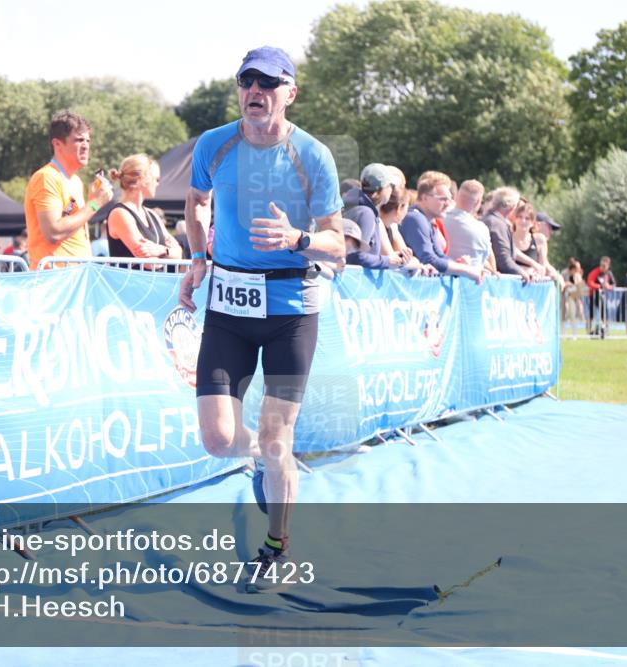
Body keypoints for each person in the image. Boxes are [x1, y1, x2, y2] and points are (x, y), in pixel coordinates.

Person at [177, 46, 345, 590]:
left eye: (268, 83)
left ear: (289, 93)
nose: (255, 90)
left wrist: (297, 239)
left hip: (291, 312)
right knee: (218, 439)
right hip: (228, 308)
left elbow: (337, 244)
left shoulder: (313, 155)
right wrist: (198, 258)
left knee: (277, 437)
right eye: (247, 81)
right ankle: (267, 461)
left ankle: (276, 544)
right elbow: (195, 201)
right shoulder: (213, 144)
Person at [24, 110, 114, 270]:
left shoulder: (76, 181)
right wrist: (94, 204)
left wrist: (91, 203)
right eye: (79, 140)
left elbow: (71, 224)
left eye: (88, 140)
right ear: (57, 144)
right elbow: (53, 232)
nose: (86, 146)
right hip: (54, 277)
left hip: (75, 275)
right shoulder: (46, 177)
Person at [106, 154, 182, 269]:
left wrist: (161, 250)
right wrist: (169, 254)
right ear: (143, 179)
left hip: (155, 279)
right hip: (131, 280)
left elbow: (179, 254)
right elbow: (150, 263)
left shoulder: (152, 214)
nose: (157, 184)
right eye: (156, 179)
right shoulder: (120, 213)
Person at [342, 164, 420, 271]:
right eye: (390, 186)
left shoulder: (360, 209)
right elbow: (356, 256)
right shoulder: (366, 213)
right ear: (381, 188)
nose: (391, 191)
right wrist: (387, 261)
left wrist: (392, 258)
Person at [443, 179, 494, 270]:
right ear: (478, 202)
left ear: (456, 196)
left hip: (440, 274)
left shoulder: (438, 220)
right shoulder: (481, 229)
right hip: (472, 276)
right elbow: (486, 260)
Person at [483, 187, 532, 282]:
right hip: (497, 283)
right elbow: (503, 261)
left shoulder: (490, 220)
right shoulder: (497, 224)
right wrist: (523, 273)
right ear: (512, 208)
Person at [586, 256, 615, 337]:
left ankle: (606, 331)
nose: (602, 267)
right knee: (591, 314)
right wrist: (600, 286)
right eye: (601, 265)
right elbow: (590, 282)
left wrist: (609, 286)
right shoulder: (595, 272)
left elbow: (614, 284)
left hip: (603, 296)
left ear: (608, 266)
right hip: (593, 295)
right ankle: (588, 331)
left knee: (604, 314)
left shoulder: (609, 274)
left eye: (604, 266)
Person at [561, 258, 587, 337]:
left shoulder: (577, 275)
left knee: (573, 315)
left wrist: (574, 286)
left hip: (574, 298)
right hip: (564, 297)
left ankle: (574, 334)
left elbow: (580, 286)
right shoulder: (564, 273)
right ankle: (563, 334)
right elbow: (561, 285)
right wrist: (565, 284)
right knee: (563, 315)